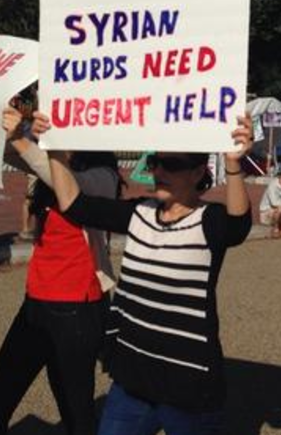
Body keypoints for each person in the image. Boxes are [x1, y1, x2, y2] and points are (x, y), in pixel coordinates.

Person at [32, 111, 253, 435]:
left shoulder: (209, 221)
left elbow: (237, 226)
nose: (160, 172)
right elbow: (75, 204)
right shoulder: (138, 212)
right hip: (131, 384)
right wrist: (53, 147)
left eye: (172, 165)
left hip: (188, 387)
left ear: (197, 172)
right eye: (155, 162)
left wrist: (233, 165)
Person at [0, 107, 121, 435]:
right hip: (36, 303)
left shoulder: (103, 172)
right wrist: (10, 125)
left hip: (78, 309)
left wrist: (29, 143)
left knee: (76, 413)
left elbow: (69, 187)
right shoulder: (46, 161)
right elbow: (8, 151)